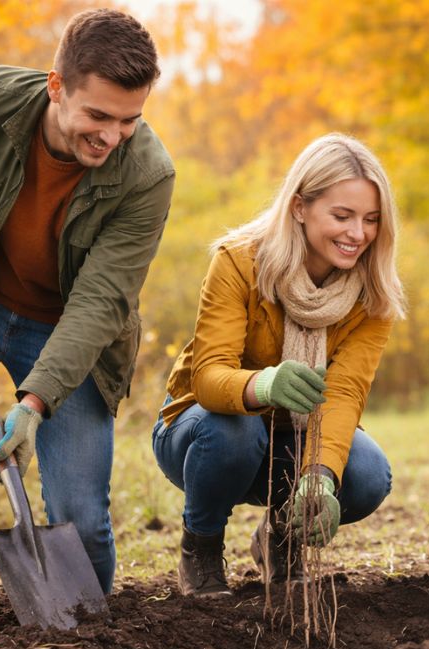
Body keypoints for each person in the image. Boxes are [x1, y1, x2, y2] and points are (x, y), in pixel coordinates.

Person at [0, 9, 174, 595]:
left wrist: (33, 404)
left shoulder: (148, 175)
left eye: (129, 120)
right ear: (57, 86)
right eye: (98, 115)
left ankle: (85, 643)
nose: (112, 135)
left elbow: (102, 301)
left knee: (82, 523)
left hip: (65, 336)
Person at [151, 133, 405, 597]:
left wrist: (320, 478)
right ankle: (201, 548)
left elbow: (345, 395)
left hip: (292, 438)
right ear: (299, 207)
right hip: (201, 432)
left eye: (371, 220)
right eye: (342, 216)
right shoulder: (239, 261)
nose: (358, 234)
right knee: (234, 431)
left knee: (368, 474)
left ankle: (281, 541)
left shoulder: (374, 296)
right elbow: (208, 378)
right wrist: (264, 386)